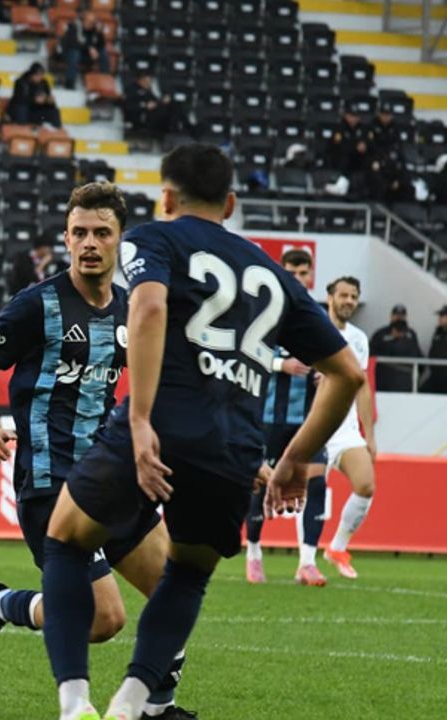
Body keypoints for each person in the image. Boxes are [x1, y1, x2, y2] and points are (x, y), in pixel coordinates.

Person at [36, 145, 362, 720]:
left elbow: (149, 309)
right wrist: (295, 458)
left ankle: (75, 703)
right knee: (186, 574)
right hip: (234, 451)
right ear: (230, 203)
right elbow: (348, 374)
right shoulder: (274, 275)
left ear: (166, 196)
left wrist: (139, 420)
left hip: (161, 427)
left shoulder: (155, 239)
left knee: (65, 539)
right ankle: (130, 704)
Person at [0, 182, 195, 720]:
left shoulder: (132, 308)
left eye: (101, 233)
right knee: (104, 620)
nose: (90, 243)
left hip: (111, 474)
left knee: (172, 587)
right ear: (65, 238)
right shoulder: (36, 304)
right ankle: (1, 605)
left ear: (119, 240)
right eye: (79, 232)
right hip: (50, 482)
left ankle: (159, 709)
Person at [243, 249, 331, 587]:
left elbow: (331, 357)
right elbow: (246, 354)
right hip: (269, 419)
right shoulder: (264, 311)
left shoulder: (317, 316)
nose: (297, 278)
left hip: (309, 418)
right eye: (291, 272)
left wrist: (326, 372)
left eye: (303, 273)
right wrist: (282, 365)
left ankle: (307, 562)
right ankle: (253, 552)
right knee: (262, 483)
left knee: (317, 482)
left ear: (311, 276)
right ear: (281, 273)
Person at [320, 276, 378, 579]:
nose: (349, 301)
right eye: (343, 295)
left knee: (366, 485)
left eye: (354, 296)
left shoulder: (358, 339)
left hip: (344, 428)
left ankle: (337, 548)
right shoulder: (314, 327)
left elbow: (362, 386)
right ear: (330, 297)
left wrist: (369, 434)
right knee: (308, 493)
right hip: (312, 424)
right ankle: (302, 560)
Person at [124, 72, 184, 143]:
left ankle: (175, 130)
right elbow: (129, 105)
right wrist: (145, 106)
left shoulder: (148, 91)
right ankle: (161, 135)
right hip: (140, 114)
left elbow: (155, 101)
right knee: (161, 113)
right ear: (140, 80)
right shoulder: (131, 89)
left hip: (153, 112)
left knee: (173, 106)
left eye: (149, 82)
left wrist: (163, 100)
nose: (148, 83)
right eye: (146, 81)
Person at [59, 12, 110, 90]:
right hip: (69, 53)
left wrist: (100, 34)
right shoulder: (74, 27)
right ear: (83, 20)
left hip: (85, 56)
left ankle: (105, 81)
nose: (89, 24)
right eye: (87, 22)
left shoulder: (94, 30)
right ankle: (69, 83)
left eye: (92, 23)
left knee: (103, 52)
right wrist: (89, 48)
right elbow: (73, 43)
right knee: (75, 53)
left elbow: (101, 45)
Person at [6, 62, 62, 127]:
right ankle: (22, 129)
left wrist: (49, 101)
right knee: (22, 109)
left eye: (41, 75)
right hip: (23, 111)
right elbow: (18, 100)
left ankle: (57, 130)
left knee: (54, 111)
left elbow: (47, 98)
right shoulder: (21, 82)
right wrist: (34, 100)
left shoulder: (44, 83)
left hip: (35, 111)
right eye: (37, 75)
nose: (39, 77)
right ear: (31, 74)